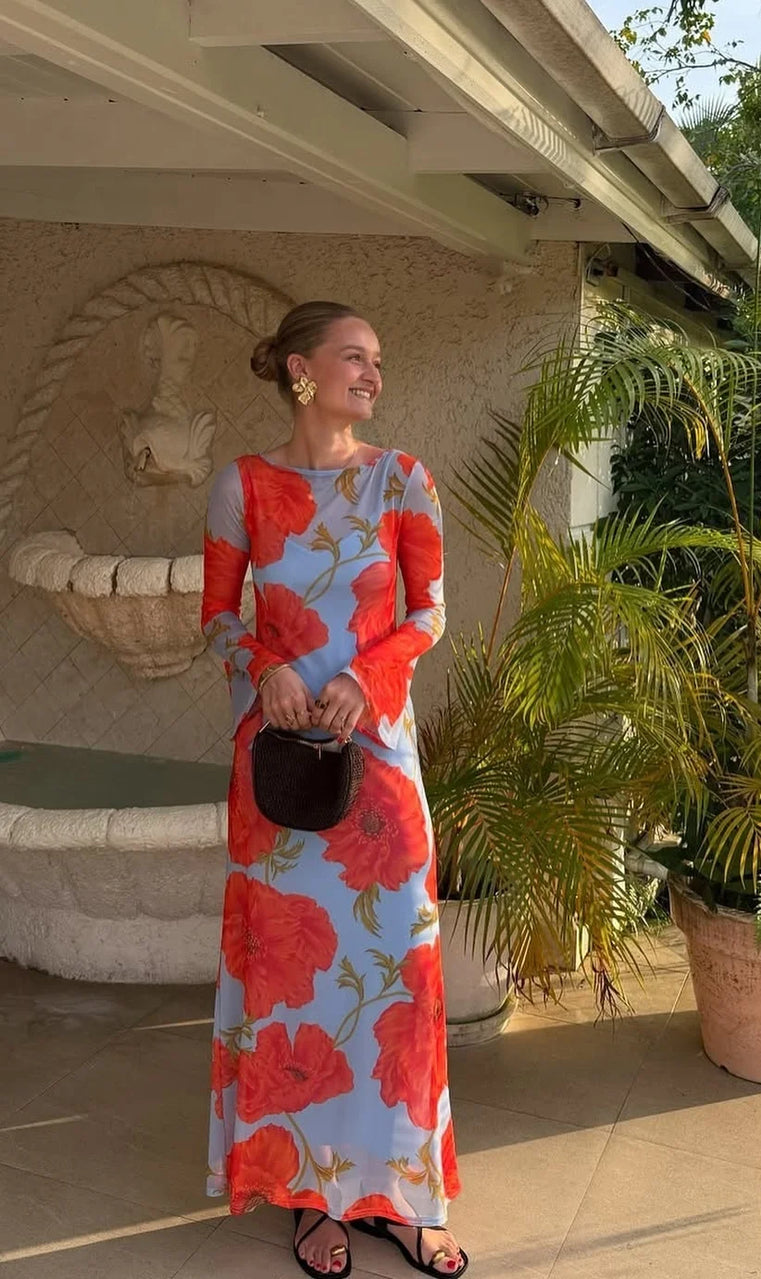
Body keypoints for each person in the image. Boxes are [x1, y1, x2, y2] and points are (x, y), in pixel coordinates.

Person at [200, 301, 468, 1278]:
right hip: (279, 773)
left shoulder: (403, 481)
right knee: (290, 994)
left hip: (377, 759)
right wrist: (260, 660)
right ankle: (313, 1195)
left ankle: (405, 1196)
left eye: (379, 361)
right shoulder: (243, 486)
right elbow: (216, 615)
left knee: (401, 972)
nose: (373, 374)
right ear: (301, 371)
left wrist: (366, 677)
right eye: (355, 357)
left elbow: (429, 614)